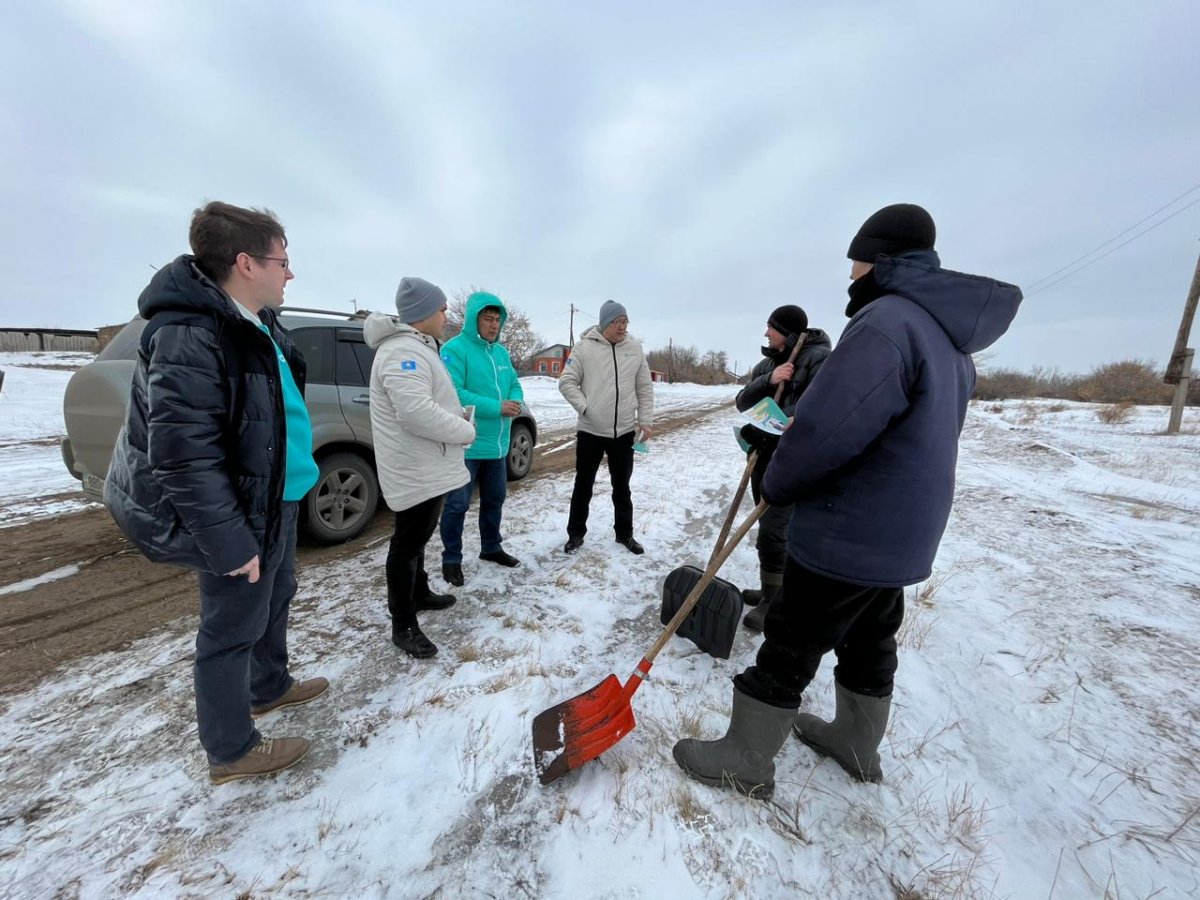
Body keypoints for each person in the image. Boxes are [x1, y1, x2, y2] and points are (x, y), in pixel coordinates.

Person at [673, 203, 1022, 798]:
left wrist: (782, 477)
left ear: (882, 260)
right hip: (904, 529)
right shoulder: (949, 341)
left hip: (851, 527)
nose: (850, 275)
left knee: (792, 634)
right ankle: (856, 744)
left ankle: (746, 759)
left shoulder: (887, 324)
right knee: (870, 633)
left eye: (856, 262)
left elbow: (830, 426)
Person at [107, 201, 327, 785]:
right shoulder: (189, 333)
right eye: (283, 259)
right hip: (236, 510)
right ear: (246, 262)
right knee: (230, 627)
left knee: (277, 594)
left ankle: (269, 685)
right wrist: (229, 541)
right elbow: (184, 455)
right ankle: (231, 750)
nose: (290, 272)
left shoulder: (256, 321)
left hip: (273, 496)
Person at [365, 277, 476, 659]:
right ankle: (403, 623)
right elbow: (414, 412)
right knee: (406, 544)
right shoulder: (400, 352)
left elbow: (428, 402)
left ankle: (419, 591)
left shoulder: (418, 346)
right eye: (442, 308)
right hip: (414, 468)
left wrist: (454, 416)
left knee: (417, 539)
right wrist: (464, 429)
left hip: (428, 464)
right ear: (423, 312)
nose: (446, 314)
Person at [734, 305, 830, 631]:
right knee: (766, 523)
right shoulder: (768, 363)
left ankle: (776, 601)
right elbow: (743, 402)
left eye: (771, 328)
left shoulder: (818, 359)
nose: (765, 333)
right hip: (762, 453)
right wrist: (769, 379)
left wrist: (791, 415)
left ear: (788, 333)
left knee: (775, 527)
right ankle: (770, 588)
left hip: (792, 458)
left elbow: (821, 406)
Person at [438, 292, 525, 586]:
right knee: (456, 505)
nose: (493, 325)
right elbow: (454, 394)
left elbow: (514, 383)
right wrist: (496, 407)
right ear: (474, 319)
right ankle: (451, 558)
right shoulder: (455, 349)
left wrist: (515, 400)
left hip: (497, 446)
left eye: (497, 319)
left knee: (494, 500)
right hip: (467, 445)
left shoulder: (500, 353)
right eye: (488, 318)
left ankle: (491, 547)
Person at [558, 300, 655, 555]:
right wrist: (587, 408)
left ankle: (625, 535)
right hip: (590, 431)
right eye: (617, 322)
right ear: (605, 323)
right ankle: (575, 534)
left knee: (622, 487)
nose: (622, 327)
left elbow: (644, 387)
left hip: (623, 432)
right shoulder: (584, 349)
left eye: (625, 322)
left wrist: (646, 420)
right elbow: (567, 382)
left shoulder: (634, 350)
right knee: (583, 485)